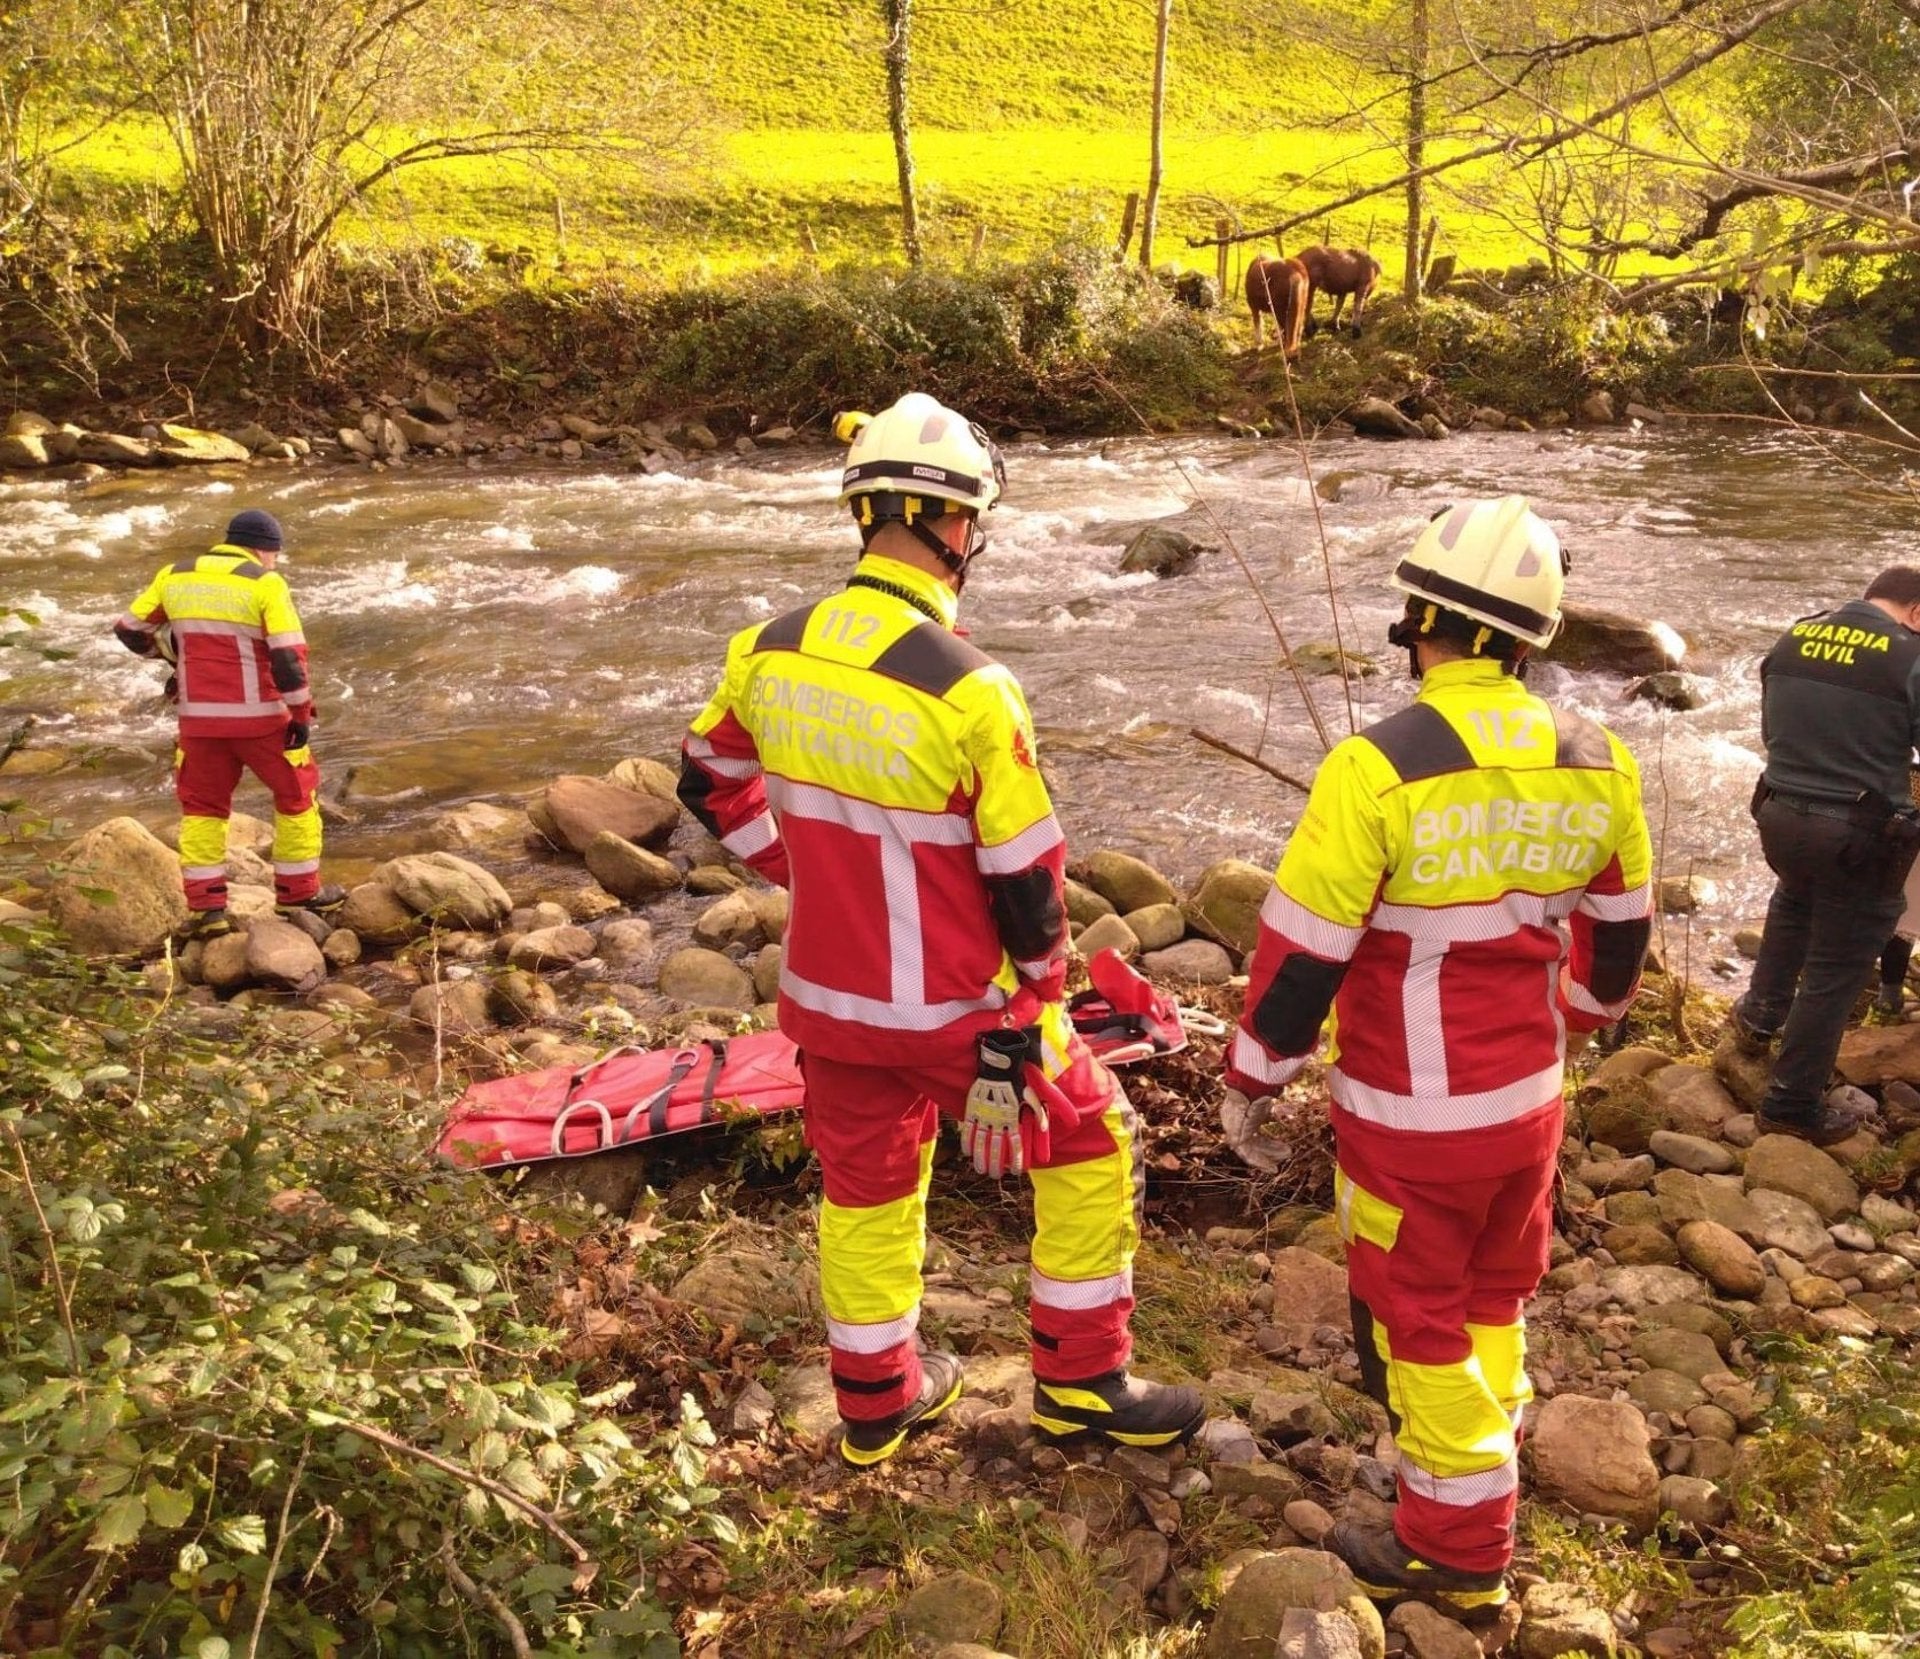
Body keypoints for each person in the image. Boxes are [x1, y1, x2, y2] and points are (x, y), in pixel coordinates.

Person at [677, 393, 1203, 1468]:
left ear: (864, 513)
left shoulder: (766, 649)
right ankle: (1083, 1386)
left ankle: (876, 1403)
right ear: (956, 527)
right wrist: (1041, 1002)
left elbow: (707, 780)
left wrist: (796, 871)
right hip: (955, 1008)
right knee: (1098, 1142)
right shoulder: (972, 690)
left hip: (824, 1005)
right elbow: (1026, 878)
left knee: (867, 1188)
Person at [1219, 497, 1653, 1618]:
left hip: (1411, 1115)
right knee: (1496, 1295)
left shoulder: (1378, 766)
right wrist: (1571, 1022)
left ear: (1421, 619)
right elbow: (1619, 948)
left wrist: (1254, 1078)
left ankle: (1459, 1546)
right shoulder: (1598, 759)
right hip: (1530, 1104)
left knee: (1415, 1312)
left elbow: (1306, 952)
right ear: (1531, 637)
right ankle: (1459, 1470)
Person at [1732, 570, 1920, 1143]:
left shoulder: (1795, 636)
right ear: (1915, 611)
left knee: (1794, 899)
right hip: (1859, 834)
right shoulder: (1909, 657)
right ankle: (1791, 1105)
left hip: (1779, 813)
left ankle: (1759, 1015)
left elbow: (1774, 730)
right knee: (1837, 972)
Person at [113, 509, 341, 936]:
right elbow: (288, 658)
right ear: (263, 550)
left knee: (202, 808)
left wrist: (173, 659)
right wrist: (301, 713)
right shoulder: (264, 582)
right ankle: (298, 895)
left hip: (198, 721)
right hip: (262, 720)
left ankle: (207, 911)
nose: (274, 562)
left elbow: (128, 629)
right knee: (297, 795)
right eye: (274, 555)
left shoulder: (174, 574)